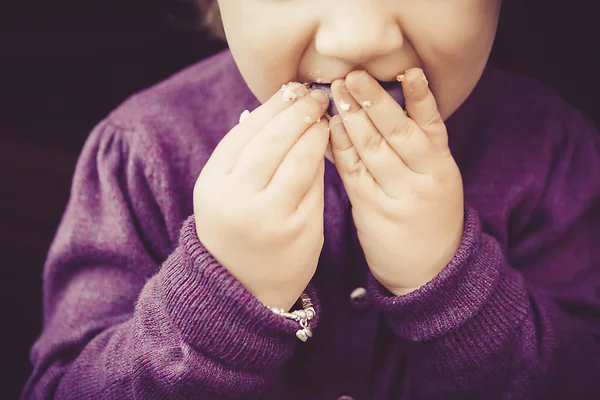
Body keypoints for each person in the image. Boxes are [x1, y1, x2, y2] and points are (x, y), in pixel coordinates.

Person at [22, 0, 600, 399]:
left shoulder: (551, 153)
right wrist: (217, 302)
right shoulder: (141, 153)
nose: (358, 38)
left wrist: (449, 282)